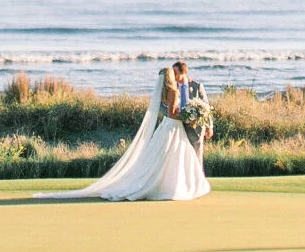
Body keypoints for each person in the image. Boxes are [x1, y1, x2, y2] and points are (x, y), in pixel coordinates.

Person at [33, 64, 210, 201]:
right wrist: (188, 116)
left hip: (167, 127)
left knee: (164, 158)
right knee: (172, 157)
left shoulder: (165, 91)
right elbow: (172, 112)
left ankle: (168, 184)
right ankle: (171, 186)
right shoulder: (172, 92)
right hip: (173, 126)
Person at [172, 60, 211, 159]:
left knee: (196, 157)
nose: (173, 75)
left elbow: (206, 108)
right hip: (177, 126)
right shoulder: (171, 88)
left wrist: (209, 127)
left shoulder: (197, 86)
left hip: (195, 127)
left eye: (175, 72)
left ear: (183, 72)